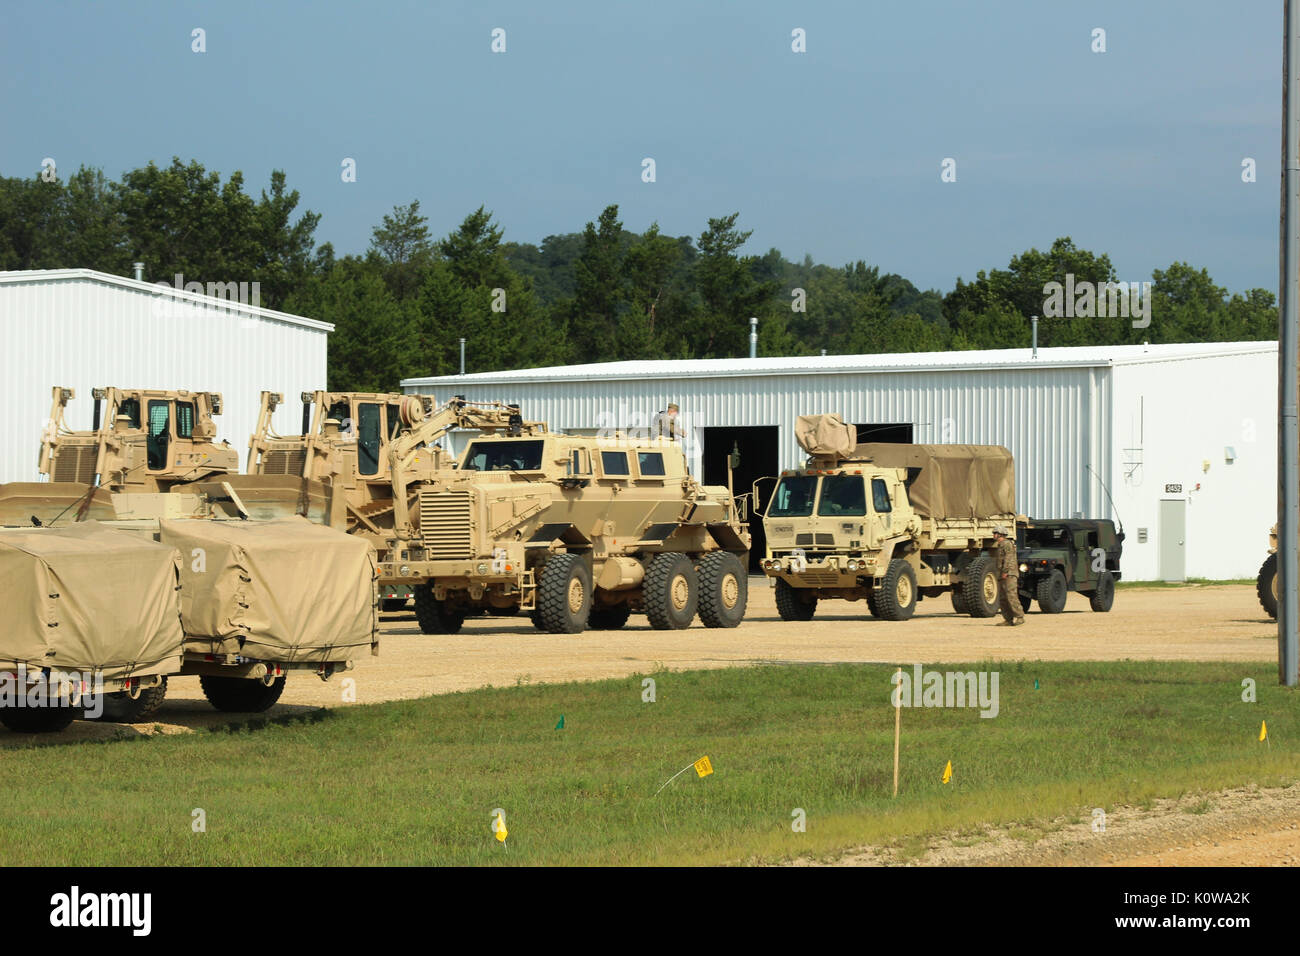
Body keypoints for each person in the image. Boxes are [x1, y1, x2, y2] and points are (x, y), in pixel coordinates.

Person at [993, 525, 1025, 626]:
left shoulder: (1007, 544)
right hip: (1002, 574)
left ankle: (1019, 616)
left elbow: (1008, 558)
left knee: (1011, 595)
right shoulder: (1000, 545)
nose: (993, 535)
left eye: (995, 533)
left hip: (1009, 574)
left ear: (1000, 534)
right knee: (1003, 598)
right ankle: (1008, 619)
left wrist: (1005, 571)